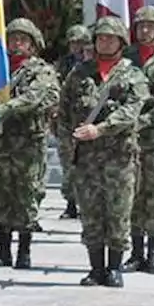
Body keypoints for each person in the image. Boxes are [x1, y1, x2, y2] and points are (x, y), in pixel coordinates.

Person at [59, 16, 148, 288]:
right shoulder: (80, 73)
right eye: (100, 37)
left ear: (121, 42)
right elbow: (64, 110)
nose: (104, 41)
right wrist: (69, 140)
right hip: (86, 159)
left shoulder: (133, 74)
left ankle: (114, 267)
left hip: (119, 158)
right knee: (91, 213)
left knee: (118, 212)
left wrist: (101, 129)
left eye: (110, 38)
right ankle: (95, 268)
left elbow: (132, 110)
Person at [0, 19, 60, 270]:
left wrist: (4, 108)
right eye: (13, 39)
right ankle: (3, 250)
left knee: (26, 195)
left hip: (28, 143)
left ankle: (24, 252)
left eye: (22, 40)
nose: (16, 44)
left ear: (33, 44)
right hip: (1, 142)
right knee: (1, 195)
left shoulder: (41, 70)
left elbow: (35, 96)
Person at [119, 6, 154, 275]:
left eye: (150, 26)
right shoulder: (126, 59)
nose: (144, 30)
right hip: (127, 139)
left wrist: (146, 120)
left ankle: (153, 254)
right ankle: (135, 253)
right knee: (132, 194)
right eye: (140, 26)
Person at [54, 24, 93, 220]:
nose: (75, 47)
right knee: (68, 164)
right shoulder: (63, 64)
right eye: (72, 43)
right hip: (67, 121)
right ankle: (71, 203)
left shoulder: (93, 64)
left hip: (90, 121)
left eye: (80, 43)